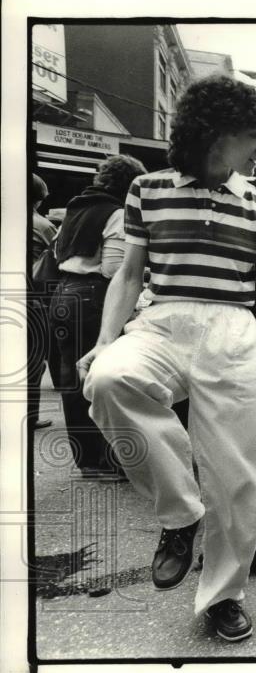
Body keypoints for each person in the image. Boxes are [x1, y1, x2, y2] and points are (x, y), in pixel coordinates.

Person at [79, 75, 256, 642]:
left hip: (232, 332)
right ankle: (181, 515)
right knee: (109, 380)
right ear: (219, 135)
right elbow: (130, 274)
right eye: (254, 137)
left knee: (236, 477)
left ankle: (223, 596)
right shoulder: (148, 191)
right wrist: (108, 338)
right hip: (161, 320)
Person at [49, 154, 147, 478]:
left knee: (72, 379)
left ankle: (88, 460)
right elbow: (113, 270)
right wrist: (146, 272)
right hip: (93, 298)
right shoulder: (117, 214)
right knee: (101, 377)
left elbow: (56, 251)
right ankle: (108, 460)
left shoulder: (75, 208)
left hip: (62, 294)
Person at [28, 173, 59, 430]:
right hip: (32, 299)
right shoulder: (42, 225)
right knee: (33, 359)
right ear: (38, 200)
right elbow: (60, 258)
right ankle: (30, 416)